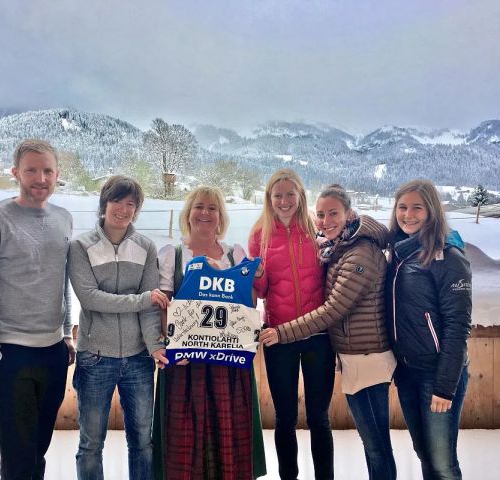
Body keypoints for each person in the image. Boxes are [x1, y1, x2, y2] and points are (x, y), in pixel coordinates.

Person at [261, 184, 397, 480]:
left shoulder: (359, 252)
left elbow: (334, 308)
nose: (325, 221)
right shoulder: (338, 246)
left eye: (333, 213)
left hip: (365, 355)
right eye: (321, 214)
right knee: (373, 444)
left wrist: (283, 333)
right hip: (353, 354)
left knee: (375, 445)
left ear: (349, 213)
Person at [0, 139, 75, 480]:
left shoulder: (64, 219)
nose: (41, 178)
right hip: (9, 354)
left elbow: (61, 283)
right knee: (17, 455)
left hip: (53, 353)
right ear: (16, 173)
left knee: (36, 450)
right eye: (31, 170)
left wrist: (66, 335)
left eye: (48, 170)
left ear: (57, 174)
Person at [153, 186, 266, 480]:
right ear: (188, 213)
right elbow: (164, 308)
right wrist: (176, 344)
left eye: (212, 208)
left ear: (221, 217)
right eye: (199, 207)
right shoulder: (172, 254)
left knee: (226, 432)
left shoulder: (235, 253)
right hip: (186, 362)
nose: (205, 213)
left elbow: (248, 306)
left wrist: (244, 280)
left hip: (227, 361)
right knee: (185, 440)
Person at [68, 175, 169, 480]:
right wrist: (142, 299)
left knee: (142, 442)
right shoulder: (81, 246)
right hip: (95, 357)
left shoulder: (145, 247)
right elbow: (90, 298)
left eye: (131, 204)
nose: (123, 209)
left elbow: (153, 307)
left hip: (138, 360)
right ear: (104, 203)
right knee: (90, 444)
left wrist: (154, 346)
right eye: (117, 201)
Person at [249, 169, 334, 480]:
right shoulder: (260, 234)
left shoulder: (317, 228)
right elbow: (259, 290)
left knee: (319, 418)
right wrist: (256, 278)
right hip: (278, 336)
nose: (283, 201)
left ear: (300, 196)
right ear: (269, 199)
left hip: (317, 335)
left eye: (289, 194)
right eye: (277, 195)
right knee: (285, 418)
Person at [388, 179, 472, 480]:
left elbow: (458, 325)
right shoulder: (399, 253)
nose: (408, 215)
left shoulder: (448, 256)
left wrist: (444, 386)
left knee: (443, 462)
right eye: (402, 207)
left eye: (417, 208)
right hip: (408, 372)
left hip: (438, 375)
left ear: (432, 211)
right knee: (424, 452)